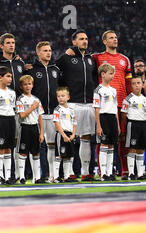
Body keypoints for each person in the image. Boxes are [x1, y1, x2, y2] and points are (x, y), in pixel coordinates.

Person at [57, 30, 98, 181]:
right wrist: (65, 55)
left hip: (88, 104)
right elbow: (54, 69)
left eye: (86, 39)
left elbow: (94, 78)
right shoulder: (67, 58)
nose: (85, 41)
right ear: (74, 42)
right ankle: (68, 173)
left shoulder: (90, 59)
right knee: (69, 138)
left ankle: (86, 172)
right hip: (72, 103)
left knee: (86, 138)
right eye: (81, 39)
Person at [93, 30, 133, 180]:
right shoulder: (97, 57)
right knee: (102, 137)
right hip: (104, 105)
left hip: (122, 103)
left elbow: (129, 83)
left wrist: (130, 102)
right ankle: (102, 171)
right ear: (105, 41)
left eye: (116, 37)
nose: (115, 40)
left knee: (122, 137)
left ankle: (124, 170)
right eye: (111, 38)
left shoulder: (125, 60)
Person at [25, 41, 60, 182]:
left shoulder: (56, 70)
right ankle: (37, 175)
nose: (48, 53)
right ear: (38, 53)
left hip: (53, 113)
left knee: (52, 145)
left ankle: (52, 175)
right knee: (37, 147)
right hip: (37, 114)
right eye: (45, 50)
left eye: (50, 50)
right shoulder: (31, 70)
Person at [16, 75, 45, 184]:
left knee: (36, 153)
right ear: (21, 86)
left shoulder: (36, 99)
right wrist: (32, 107)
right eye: (25, 84)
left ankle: (36, 177)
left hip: (34, 128)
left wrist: (41, 132)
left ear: (32, 85)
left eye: (29, 84)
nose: (27, 86)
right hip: (25, 127)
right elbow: (22, 115)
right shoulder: (20, 100)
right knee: (23, 153)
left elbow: (40, 116)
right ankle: (22, 177)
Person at [94, 63, 120, 181]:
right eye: (110, 73)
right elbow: (96, 108)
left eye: (113, 73)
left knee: (111, 146)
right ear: (103, 74)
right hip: (103, 118)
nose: (112, 76)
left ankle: (110, 173)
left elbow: (115, 109)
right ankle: (103, 173)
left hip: (112, 119)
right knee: (104, 145)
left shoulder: (114, 91)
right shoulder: (98, 90)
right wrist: (98, 125)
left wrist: (118, 124)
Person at [121, 75, 146, 180]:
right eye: (134, 83)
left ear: (142, 84)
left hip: (143, 124)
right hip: (133, 124)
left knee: (141, 149)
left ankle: (140, 173)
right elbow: (123, 114)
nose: (136, 85)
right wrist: (128, 125)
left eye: (138, 83)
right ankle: (131, 173)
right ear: (131, 85)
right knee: (132, 149)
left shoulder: (145, 99)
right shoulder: (128, 99)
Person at [52, 87, 77, 183]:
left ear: (68, 97)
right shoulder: (57, 110)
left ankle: (67, 176)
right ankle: (56, 177)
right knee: (59, 155)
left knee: (68, 156)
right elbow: (57, 123)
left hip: (70, 134)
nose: (60, 98)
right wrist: (63, 135)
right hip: (61, 134)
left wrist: (73, 134)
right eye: (58, 96)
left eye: (63, 96)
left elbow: (74, 123)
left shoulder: (71, 110)